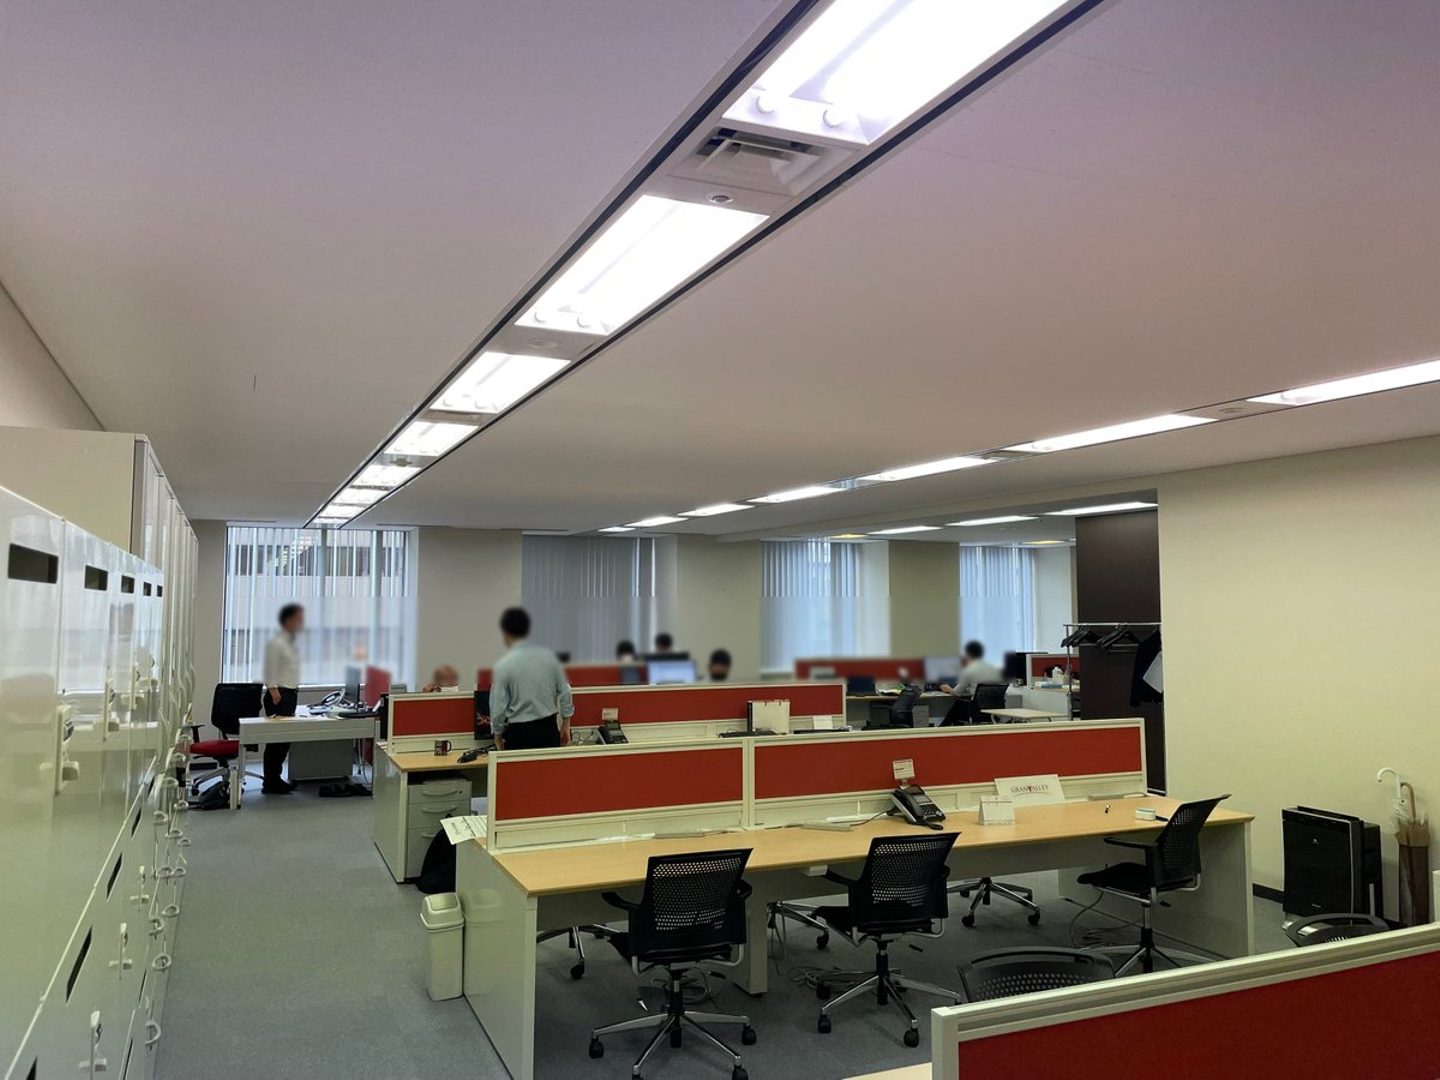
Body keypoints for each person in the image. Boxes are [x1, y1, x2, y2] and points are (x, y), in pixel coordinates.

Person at [490, 607, 574, 751]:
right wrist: (566, 725)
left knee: (520, 767)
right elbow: (566, 693)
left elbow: (498, 708)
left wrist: (497, 734)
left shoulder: (503, 666)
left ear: (506, 634)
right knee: (548, 766)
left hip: (519, 734)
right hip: (547, 730)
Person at [262, 603, 304, 794]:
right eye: (299, 618)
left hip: (289, 694)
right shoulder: (276, 643)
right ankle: (271, 782)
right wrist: (274, 692)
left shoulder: (290, 642)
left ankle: (274, 779)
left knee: (283, 740)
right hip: (279, 695)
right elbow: (269, 669)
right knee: (276, 741)